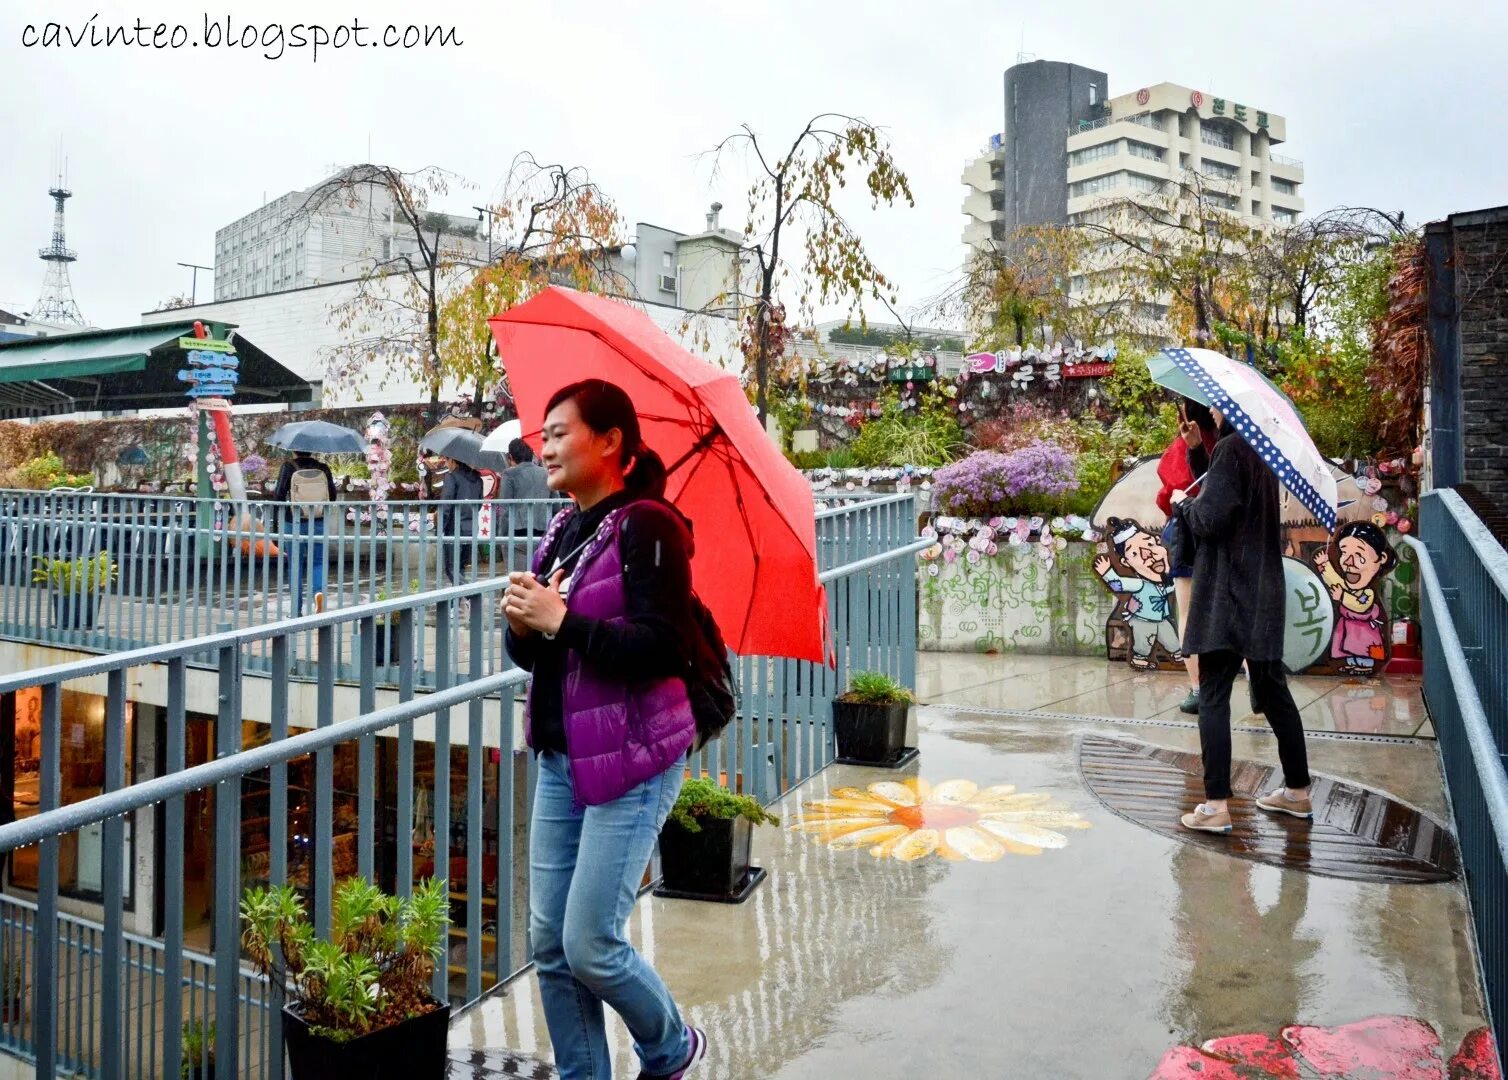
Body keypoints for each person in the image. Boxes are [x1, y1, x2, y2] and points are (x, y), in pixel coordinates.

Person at [502, 379, 708, 1080]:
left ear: (611, 441)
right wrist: (524, 625)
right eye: (544, 434)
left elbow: (663, 648)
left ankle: (670, 1045)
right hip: (563, 755)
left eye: (561, 432)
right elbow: (540, 655)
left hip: (634, 758)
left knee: (589, 943)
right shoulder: (564, 531)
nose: (546, 445)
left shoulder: (649, 526)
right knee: (549, 945)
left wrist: (563, 621)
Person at [1171, 406, 1313, 834]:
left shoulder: (1232, 448)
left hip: (1228, 596)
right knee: (1272, 693)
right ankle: (1298, 793)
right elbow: (1227, 494)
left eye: (1216, 404)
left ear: (1231, 407)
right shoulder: (1258, 450)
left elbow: (1211, 518)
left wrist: (1182, 506)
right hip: (1261, 593)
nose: (1211, 409)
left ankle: (1214, 806)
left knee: (1213, 694)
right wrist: (1198, 453)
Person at [1156, 398, 1219, 713]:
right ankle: (1254, 684)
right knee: (1233, 609)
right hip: (1220, 531)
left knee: (1188, 614)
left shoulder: (1179, 447)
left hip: (1187, 531)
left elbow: (1166, 496)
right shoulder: (1227, 441)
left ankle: (1197, 689)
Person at [273, 450, 336, 615]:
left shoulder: (288, 467)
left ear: (294, 449)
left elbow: (278, 496)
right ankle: (318, 594)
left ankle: (296, 610)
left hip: (294, 520)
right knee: (318, 562)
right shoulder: (323, 468)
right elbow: (333, 496)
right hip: (318, 520)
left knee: (295, 565)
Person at [436, 457, 483, 585]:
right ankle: (454, 603)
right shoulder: (478, 479)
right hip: (471, 527)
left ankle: (471, 594)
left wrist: (440, 528)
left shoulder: (451, 478)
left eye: (447, 460)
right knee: (460, 568)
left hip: (455, 528)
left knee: (451, 568)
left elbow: (446, 505)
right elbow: (479, 505)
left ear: (453, 461)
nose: (446, 464)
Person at [500, 437, 553, 536]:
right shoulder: (546, 473)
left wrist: (503, 535)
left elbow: (505, 508)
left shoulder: (509, 474)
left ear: (511, 456)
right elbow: (556, 504)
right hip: (544, 530)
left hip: (517, 531)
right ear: (532, 454)